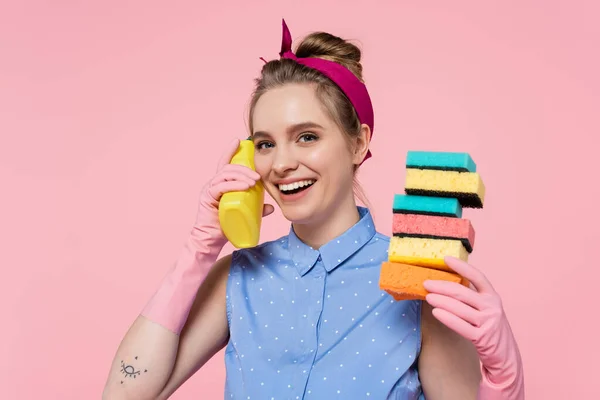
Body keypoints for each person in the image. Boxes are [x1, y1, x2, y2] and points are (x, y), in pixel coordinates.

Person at [102, 19, 524, 400]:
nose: (281, 163)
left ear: (358, 143)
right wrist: (199, 248)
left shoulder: (417, 281)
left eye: (306, 137)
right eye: (265, 143)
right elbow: (123, 396)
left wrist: (506, 379)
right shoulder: (237, 279)